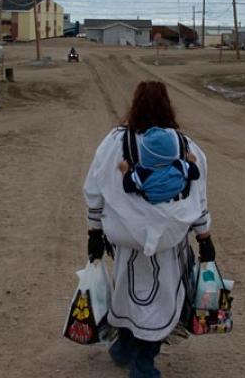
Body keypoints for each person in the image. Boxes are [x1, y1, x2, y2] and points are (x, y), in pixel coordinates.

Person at [83, 80, 215, 378]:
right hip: (170, 242)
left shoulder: (114, 143)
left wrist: (93, 232)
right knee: (162, 301)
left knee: (129, 295)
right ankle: (142, 365)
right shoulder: (185, 146)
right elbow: (199, 196)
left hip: (126, 240)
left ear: (135, 105)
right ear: (168, 106)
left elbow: (94, 190)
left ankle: (124, 350)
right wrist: (204, 237)